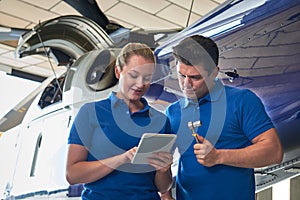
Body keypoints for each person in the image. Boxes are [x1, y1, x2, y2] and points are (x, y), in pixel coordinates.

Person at [165, 35, 283, 200]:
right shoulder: (172, 112)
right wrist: (165, 194)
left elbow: (274, 152)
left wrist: (219, 156)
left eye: (195, 77)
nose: (186, 84)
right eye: (181, 75)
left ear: (214, 72)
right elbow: (161, 166)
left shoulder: (242, 101)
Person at [66, 43, 173, 200]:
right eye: (134, 75)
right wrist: (121, 159)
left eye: (147, 78)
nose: (140, 84)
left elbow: (163, 187)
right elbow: (72, 174)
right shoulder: (90, 113)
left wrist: (163, 171)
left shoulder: (161, 121)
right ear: (118, 71)